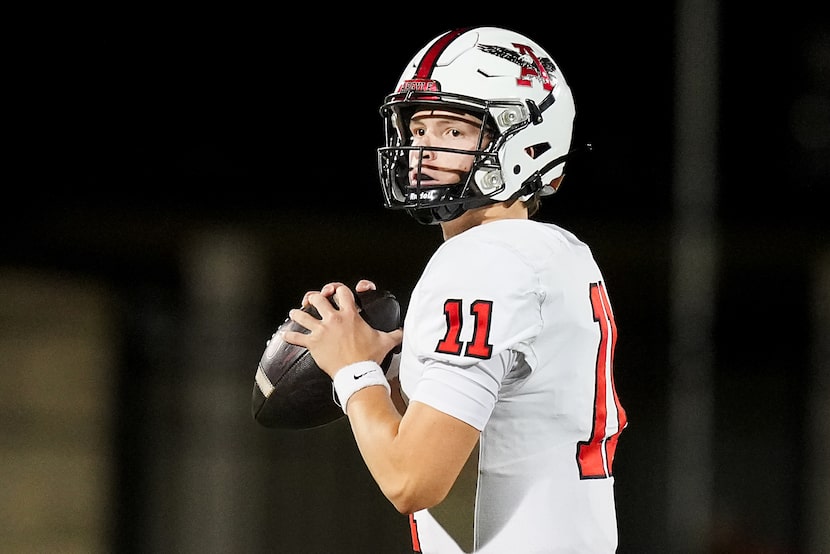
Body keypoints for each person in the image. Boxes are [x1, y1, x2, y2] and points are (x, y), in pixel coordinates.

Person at [284, 26, 628, 553]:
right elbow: (493, 435)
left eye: (453, 131)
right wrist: (391, 376)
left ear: (525, 138)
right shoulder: (559, 252)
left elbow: (413, 480)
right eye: (418, 128)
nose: (423, 150)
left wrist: (351, 370)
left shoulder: (481, 261)